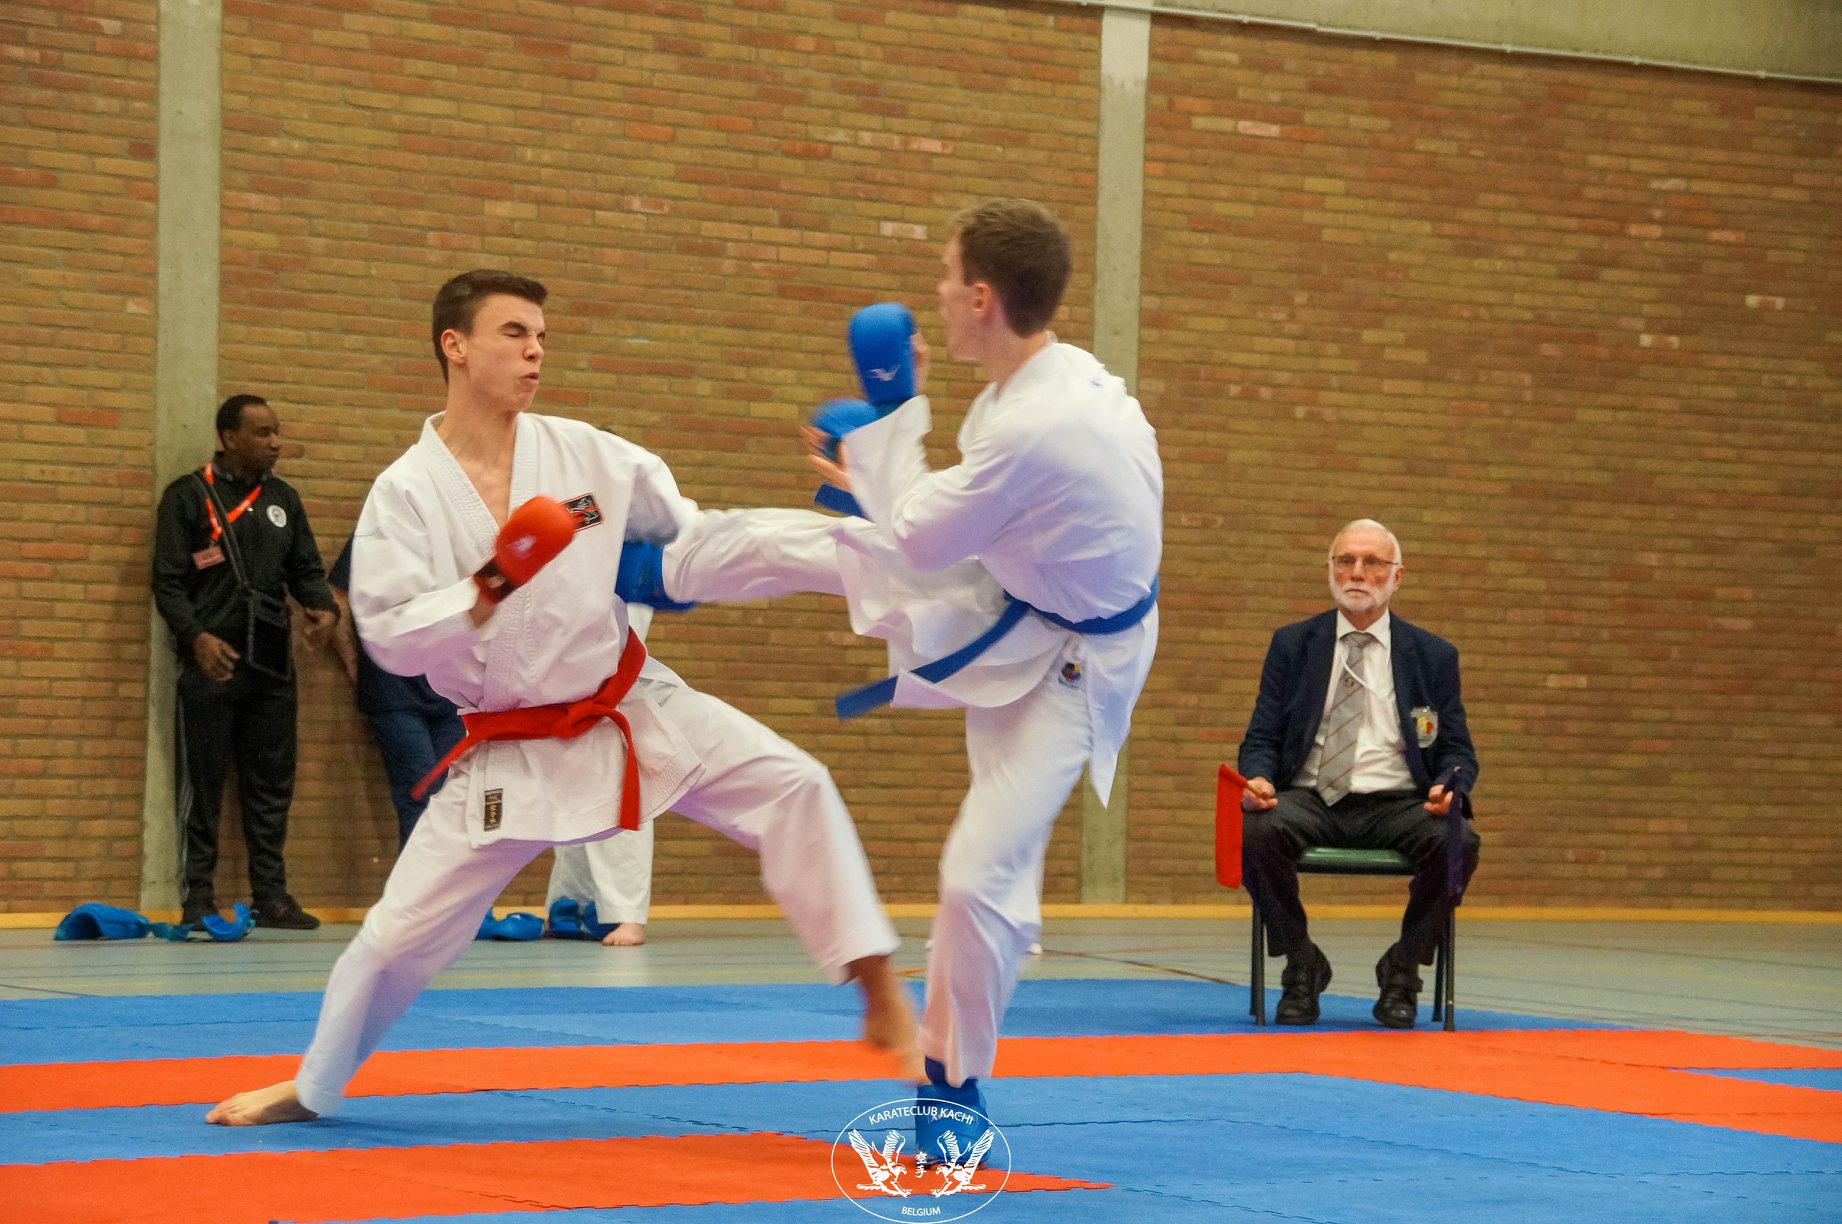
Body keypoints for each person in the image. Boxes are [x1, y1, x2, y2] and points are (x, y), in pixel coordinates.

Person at [205, 269, 914, 1127]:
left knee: (794, 783)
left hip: (629, 704)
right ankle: (312, 1087)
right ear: (455, 346)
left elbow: (690, 540)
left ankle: (877, 983)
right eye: (514, 333)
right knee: (394, 941)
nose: (535, 350)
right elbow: (388, 634)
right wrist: (490, 584)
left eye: (541, 335)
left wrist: (840, 540)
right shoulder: (407, 493)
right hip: (509, 746)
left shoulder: (591, 459)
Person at [799, 198, 1162, 1139]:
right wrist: (877, 464)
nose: (936, 293)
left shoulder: (1035, 421)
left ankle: (952, 1084)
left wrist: (890, 416)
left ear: (982, 298)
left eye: (947, 275)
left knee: (972, 874)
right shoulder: (1039, 383)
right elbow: (956, 519)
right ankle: (995, 952)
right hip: (1027, 615)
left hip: (1077, 660)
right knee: (993, 872)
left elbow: (924, 536)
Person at [1236, 519, 1481, 1029]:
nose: (1357, 572)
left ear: (1397, 576)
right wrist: (1258, 779)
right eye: (1345, 561)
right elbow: (1261, 737)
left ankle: (1402, 972)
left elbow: (1456, 749)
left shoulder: (1433, 656)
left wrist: (1447, 786)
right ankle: (1301, 964)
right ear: (1329, 569)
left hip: (1399, 802)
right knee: (1258, 831)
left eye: (1372, 562)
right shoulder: (1293, 645)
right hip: (1310, 797)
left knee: (1458, 841)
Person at [151, 393, 338, 931]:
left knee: (271, 786)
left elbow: (306, 569)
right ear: (229, 437)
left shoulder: (283, 499)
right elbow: (167, 581)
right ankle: (198, 896)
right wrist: (196, 637)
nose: (275, 442)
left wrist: (323, 608)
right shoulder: (188, 496)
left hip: (272, 665)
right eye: (262, 433)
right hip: (212, 665)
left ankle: (271, 897)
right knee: (204, 785)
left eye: (277, 432)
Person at [326, 534, 465, 850]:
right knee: (420, 796)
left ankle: (445, 883)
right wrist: (354, 662)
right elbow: (337, 595)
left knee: (453, 801)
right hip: (395, 691)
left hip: (452, 691)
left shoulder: (456, 526)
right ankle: (422, 882)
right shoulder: (380, 527)